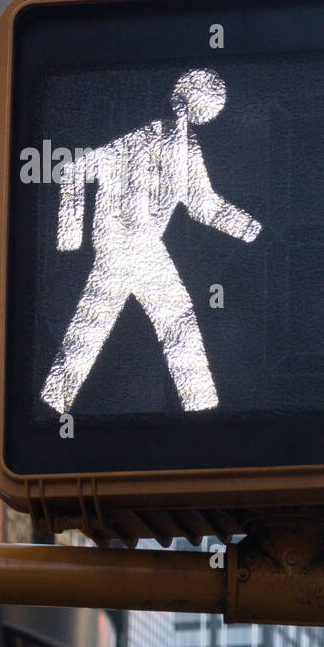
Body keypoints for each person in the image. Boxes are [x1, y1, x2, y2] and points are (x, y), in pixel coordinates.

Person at [42, 69, 261, 414]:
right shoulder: (134, 141)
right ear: (181, 103)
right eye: (191, 108)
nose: (189, 117)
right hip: (118, 248)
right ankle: (52, 405)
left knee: (164, 328)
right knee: (104, 330)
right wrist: (70, 241)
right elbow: (73, 171)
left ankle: (202, 411)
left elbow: (203, 205)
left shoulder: (188, 150)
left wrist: (249, 229)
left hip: (144, 250)